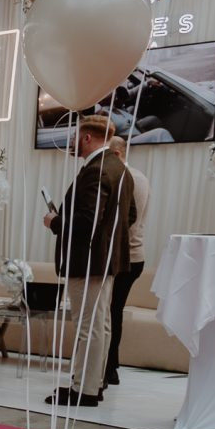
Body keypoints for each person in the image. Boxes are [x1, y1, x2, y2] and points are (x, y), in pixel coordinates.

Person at [42, 114, 136, 407]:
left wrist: (55, 222)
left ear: (86, 137)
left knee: (88, 327)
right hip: (105, 260)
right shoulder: (120, 168)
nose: (72, 141)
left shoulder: (96, 170)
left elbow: (86, 223)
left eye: (75, 136)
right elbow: (130, 216)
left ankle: (83, 390)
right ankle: (92, 383)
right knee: (100, 325)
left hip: (88, 261)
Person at [103, 135, 151, 387]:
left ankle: (108, 368)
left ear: (117, 154)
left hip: (125, 256)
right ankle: (110, 364)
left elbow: (125, 223)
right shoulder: (138, 176)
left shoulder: (127, 178)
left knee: (110, 312)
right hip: (132, 255)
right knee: (113, 310)